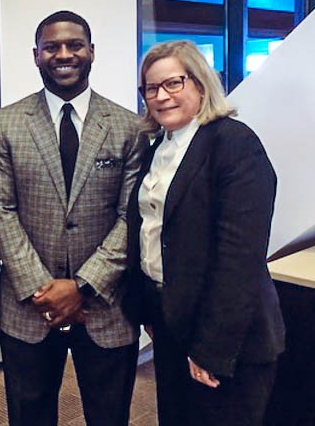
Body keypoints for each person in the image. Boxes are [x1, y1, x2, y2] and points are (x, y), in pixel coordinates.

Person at [0, 10, 146, 426]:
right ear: (35, 56)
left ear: (92, 52)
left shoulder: (128, 126)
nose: (64, 54)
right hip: (28, 307)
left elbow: (132, 216)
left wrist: (83, 286)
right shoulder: (6, 124)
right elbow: (0, 209)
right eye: (51, 47)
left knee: (109, 416)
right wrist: (45, 290)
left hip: (107, 305)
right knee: (29, 415)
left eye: (74, 45)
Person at [127, 40, 285, 425]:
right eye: (151, 88)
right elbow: (153, 234)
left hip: (228, 338)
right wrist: (151, 310)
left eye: (173, 83)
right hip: (172, 324)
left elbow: (239, 258)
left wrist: (211, 349)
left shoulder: (234, 143)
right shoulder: (158, 147)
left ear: (200, 84)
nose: (161, 96)